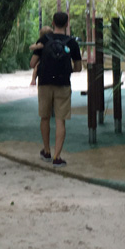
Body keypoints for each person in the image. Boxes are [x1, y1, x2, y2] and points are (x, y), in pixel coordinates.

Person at [33, 11, 82, 167]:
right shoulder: (72, 43)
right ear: (67, 24)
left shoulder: (44, 40)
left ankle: (46, 151)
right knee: (60, 120)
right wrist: (68, 70)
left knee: (45, 117)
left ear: (52, 23)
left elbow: (32, 63)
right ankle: (57, 157)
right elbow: (79, 67)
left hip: (44, 82)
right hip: (63, 84)